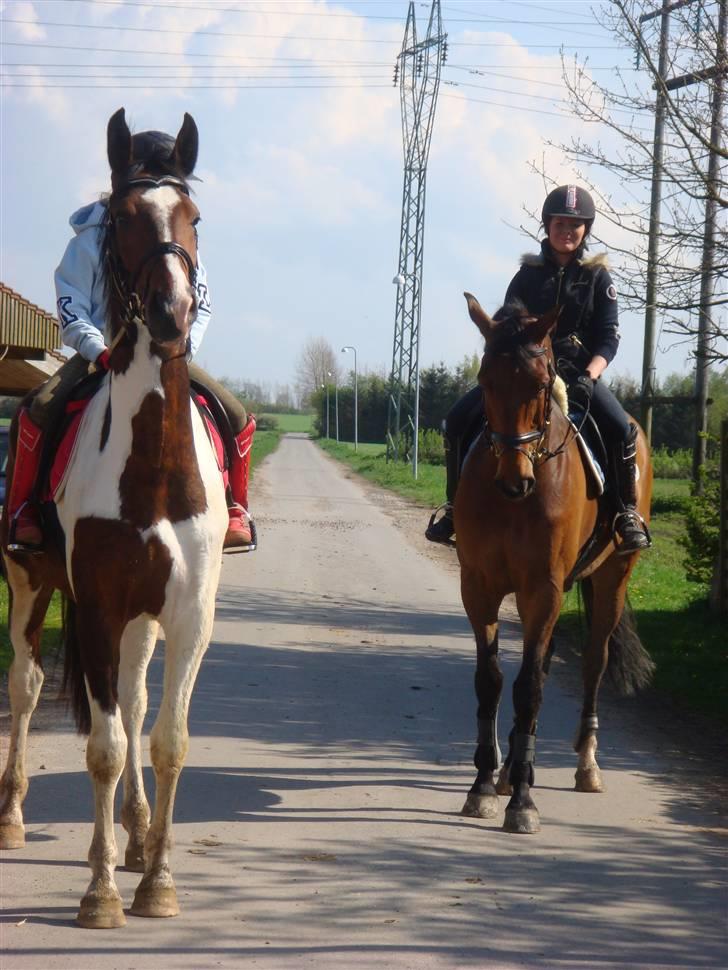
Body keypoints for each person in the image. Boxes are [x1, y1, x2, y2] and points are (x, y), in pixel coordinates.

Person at [6, 127, 256, 554]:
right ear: (123, 174)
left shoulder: (179, 235)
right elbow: (71, 305)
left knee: (234, 414)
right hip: (101, 355)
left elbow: (202, 302)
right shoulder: (87, 240)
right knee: (38, 409)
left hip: (167, 354)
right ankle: (22, 510)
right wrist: (97, 349)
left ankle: (236, 508)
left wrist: (182, 344)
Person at [426, 184, 651, 554]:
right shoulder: (528, 274)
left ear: (585, 230)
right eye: (560, 223)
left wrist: (590, 375)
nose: (567, 231)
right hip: (526, 375)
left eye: (575, 225)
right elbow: (505, 326)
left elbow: (609, 338)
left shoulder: (598, 278)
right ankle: (454, 508)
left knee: (622, 430)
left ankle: (626, 513)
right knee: (455, 421)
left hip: (580, 375)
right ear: (547, 226)